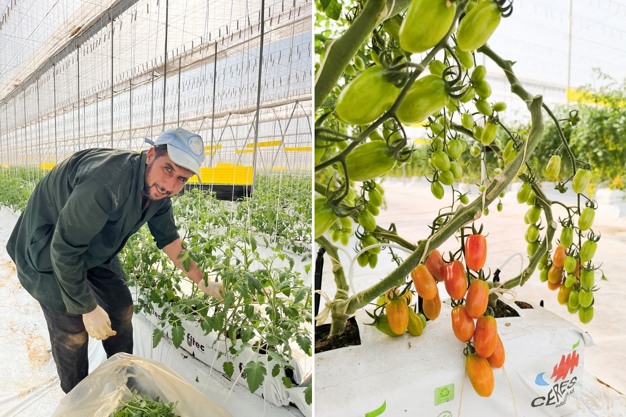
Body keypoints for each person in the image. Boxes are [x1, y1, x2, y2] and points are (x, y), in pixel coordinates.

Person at [6, 127, 223, 393]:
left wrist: (202, 280)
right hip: (48, 249)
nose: (170, 185)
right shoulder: (106, 183)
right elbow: (65, 249)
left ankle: (124, 377)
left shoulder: (159, 194)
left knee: (120, 306)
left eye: (181, 179)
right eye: (168, 168)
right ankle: (78, 396)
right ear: (151, 155)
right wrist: (87, 308)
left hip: (93, 247)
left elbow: (170, 240)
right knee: (73, 330)